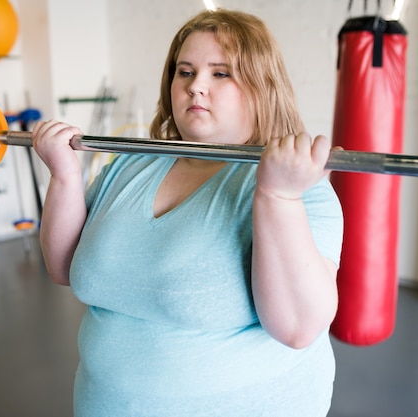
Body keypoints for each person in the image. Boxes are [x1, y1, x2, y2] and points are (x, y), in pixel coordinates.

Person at [32, 8, 343, 417]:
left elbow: (299, 328)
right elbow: (64, 267)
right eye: (185, 72)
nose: (196, 86)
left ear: (262, 85)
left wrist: (279, 197)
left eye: (220, 73)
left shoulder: (301, 187)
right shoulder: (132, 164)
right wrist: (64, 175)